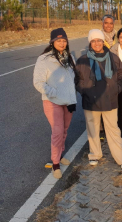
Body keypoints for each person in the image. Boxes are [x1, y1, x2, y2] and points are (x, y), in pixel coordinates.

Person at [76, 29, 122, 170]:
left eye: (99, 40)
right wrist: (85, 91)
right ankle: (94, 154)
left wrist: (115, 90)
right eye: (93, 41)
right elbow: (77, 80)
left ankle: (121, 158)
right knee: (93, 129)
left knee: (113, 130)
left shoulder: (113, 57)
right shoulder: (82, 60)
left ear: (103, 42)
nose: (97, 43)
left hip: (109, 100)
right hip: (90, 101)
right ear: (90, 43)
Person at [33, 28, 77, 179]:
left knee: (64, 130)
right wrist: (54, 93)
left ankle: (60, 153)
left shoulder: (69, 57)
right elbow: (38, 82)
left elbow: (72, 80)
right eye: (58, 40)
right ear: (52, 42)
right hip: (52, 101)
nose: (62, 43)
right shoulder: (44, 59)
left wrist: (72, 98)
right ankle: (55, 163)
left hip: (67, 102)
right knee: (57, 132)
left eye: (64, 40)